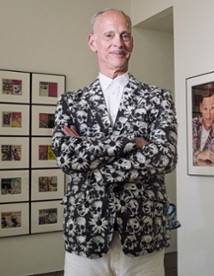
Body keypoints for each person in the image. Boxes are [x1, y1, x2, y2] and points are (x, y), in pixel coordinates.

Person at [51, 8, 178, 276]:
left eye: (125, 35)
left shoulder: (157, 98)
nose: (118, 43)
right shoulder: (71, 102)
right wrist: (130, 141)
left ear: (132, 42)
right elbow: (67, 157)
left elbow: (165, 156)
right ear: (92, 42)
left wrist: (94, 171)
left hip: (145, 235)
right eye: (109, 35)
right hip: (85, 234)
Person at [192, 83, 214, 166]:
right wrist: (197, 155)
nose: (208, 115)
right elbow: (182, 153)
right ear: (200, 107)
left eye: (212, 108)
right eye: (205, 108)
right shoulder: (192, 125)